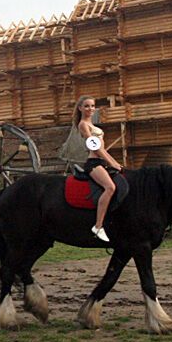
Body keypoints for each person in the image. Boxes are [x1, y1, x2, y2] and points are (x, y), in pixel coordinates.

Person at [72, 95, 123, 242]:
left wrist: (115, 163)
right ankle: (98, 225)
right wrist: (111, 163)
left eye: (92, 106)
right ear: (80, 108)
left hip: (102, 160)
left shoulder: (93, 126)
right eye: (87, 106)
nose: (90, 109)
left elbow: (103, 150)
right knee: (110, 188)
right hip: (93, 163)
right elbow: (94, 147)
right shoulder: (83, 125)